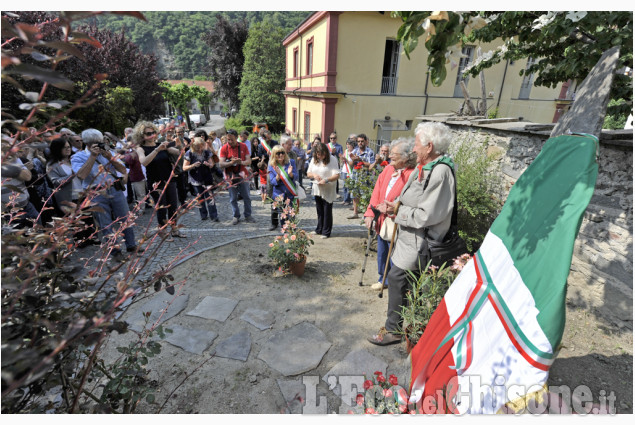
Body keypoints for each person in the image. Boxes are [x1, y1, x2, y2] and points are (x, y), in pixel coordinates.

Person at [367, 122, 456, 346]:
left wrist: (397, 210)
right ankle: (404, 327)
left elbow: (427, 215)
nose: (414, 149)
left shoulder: (440, 172)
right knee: (401, 282)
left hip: (420, 242)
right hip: (409, 240)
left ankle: (396, 331)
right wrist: (396, 204)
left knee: (398, 279)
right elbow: (412, 199)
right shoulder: (427, 167)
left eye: (417, 144)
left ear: (430, 146)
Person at [71, 129, 141, 261]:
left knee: (125, 218)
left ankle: (131, 245)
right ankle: (115, 251)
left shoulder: (108, 153)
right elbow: (81, 175)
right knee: (106, 223)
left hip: (115, 189)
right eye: (95, 143)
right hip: (96, 192)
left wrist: (110, 157)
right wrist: (92, 156)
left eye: (100, 142)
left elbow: (123, 170)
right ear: (87, 143)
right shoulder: (78, 157)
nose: (99, 145)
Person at [363, 137, 417, 291]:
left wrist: (395, 209)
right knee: (383, 251)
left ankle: (396, 283)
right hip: (382, 219)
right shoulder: (388, 169)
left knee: (396, 255)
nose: (390, 156)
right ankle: (383, 278)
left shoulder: (412, 174)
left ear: (406, 157)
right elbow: (376, 193)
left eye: (394, 154)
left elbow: (412, 200)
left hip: (399, 222)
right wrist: (369, 213)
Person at [134, 121, 185, 241]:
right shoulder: (141, 149)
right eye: (148, 134)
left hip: (169, 179)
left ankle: (174, 229)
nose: (151, 135)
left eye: (153, 132)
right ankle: (162, 231)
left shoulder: (162, 144)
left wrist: (179, 144)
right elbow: (144, 162)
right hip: (155, 182)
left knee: (173, 206)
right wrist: (157, 150)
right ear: (142, 136)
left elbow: (179, 153)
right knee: (162, 207)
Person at [47, 137, 97, 245]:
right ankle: (80, 241)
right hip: (68, 197)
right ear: (57, 149)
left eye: (69, 147)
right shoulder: (52, 165)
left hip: (81, 192)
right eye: (64, 148)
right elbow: (55, 182)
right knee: (75, 220)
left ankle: (91, 237)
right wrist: (71, 176)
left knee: (87, 216)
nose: (68, 149)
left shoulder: (73, 159)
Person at [219, 129, 254, 225]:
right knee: (233, 197)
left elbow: (249, 161)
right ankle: (236, 215)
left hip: (243, 174)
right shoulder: (224, 148)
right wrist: (231, 163)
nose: (230, 142)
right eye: (228, 139)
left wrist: (240, 162)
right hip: (230, 176)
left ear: (236, 138)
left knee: (246, 196)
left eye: (232, 140)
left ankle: (248, 215)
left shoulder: (243, 146)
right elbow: (221, 164)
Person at [306, 142, 340, 239]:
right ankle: (319, 229)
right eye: (319, 154)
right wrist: (314, 175)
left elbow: (337, 175)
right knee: (319, 210)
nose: (321, 157)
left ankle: (326, 231)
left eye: (322, 154)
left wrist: (326, 180)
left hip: (328, 189)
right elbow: (308, 173)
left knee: (327, 210)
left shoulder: (332, 159)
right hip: (317, 188)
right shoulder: (314, 159)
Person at [183, 137, 221, 222]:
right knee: (200, 198)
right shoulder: (189, 153)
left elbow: (212, 164)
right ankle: (203, 214)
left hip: (207, 178)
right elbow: (184, 168)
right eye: (198, 147)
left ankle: (214, 215)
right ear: (194, 146)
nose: (200, 149)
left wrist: (208, 164)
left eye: (201, 146)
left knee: (210, 197)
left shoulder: (206, 152)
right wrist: (193, 165)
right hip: (196, 179)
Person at [268, 144, 297, 231]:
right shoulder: (271, 165)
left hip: (289, 192)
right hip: (278, 193)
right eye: (278, 153)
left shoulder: (291, 162)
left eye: (282, 153)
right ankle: (284, 229)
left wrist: (291, 174)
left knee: (291, 212)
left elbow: (296, 177)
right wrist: (278, 175)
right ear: (274, 155)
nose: (281, 155)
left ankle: (292, 229)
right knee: (282, 213)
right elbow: (272, 181)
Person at [348, 133, 376, 219]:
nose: (360, 143)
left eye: (362, 141)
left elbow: (371, 165)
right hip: (356, 174)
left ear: (366, 142)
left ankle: (365, 213)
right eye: (359, 141)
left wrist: (361, 160)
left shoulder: (370, 152)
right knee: (355, 194)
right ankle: (355, 212)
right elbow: (351, 164)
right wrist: (352, 160)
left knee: (364, 195)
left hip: (365, 175)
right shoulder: (355, 151)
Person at [339, 137, 356, 205]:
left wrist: (346, 159)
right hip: (344, 170)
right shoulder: (346, 151)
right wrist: (342, 159)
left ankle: (348, 200)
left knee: (349, 186)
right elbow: (343, 161)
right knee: (344, 186)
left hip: (350, 171)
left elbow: (352, 164)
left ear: (353, 145)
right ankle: (345, 199)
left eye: (349, 144)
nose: (348, 146)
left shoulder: (354, 152)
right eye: (347, 144)